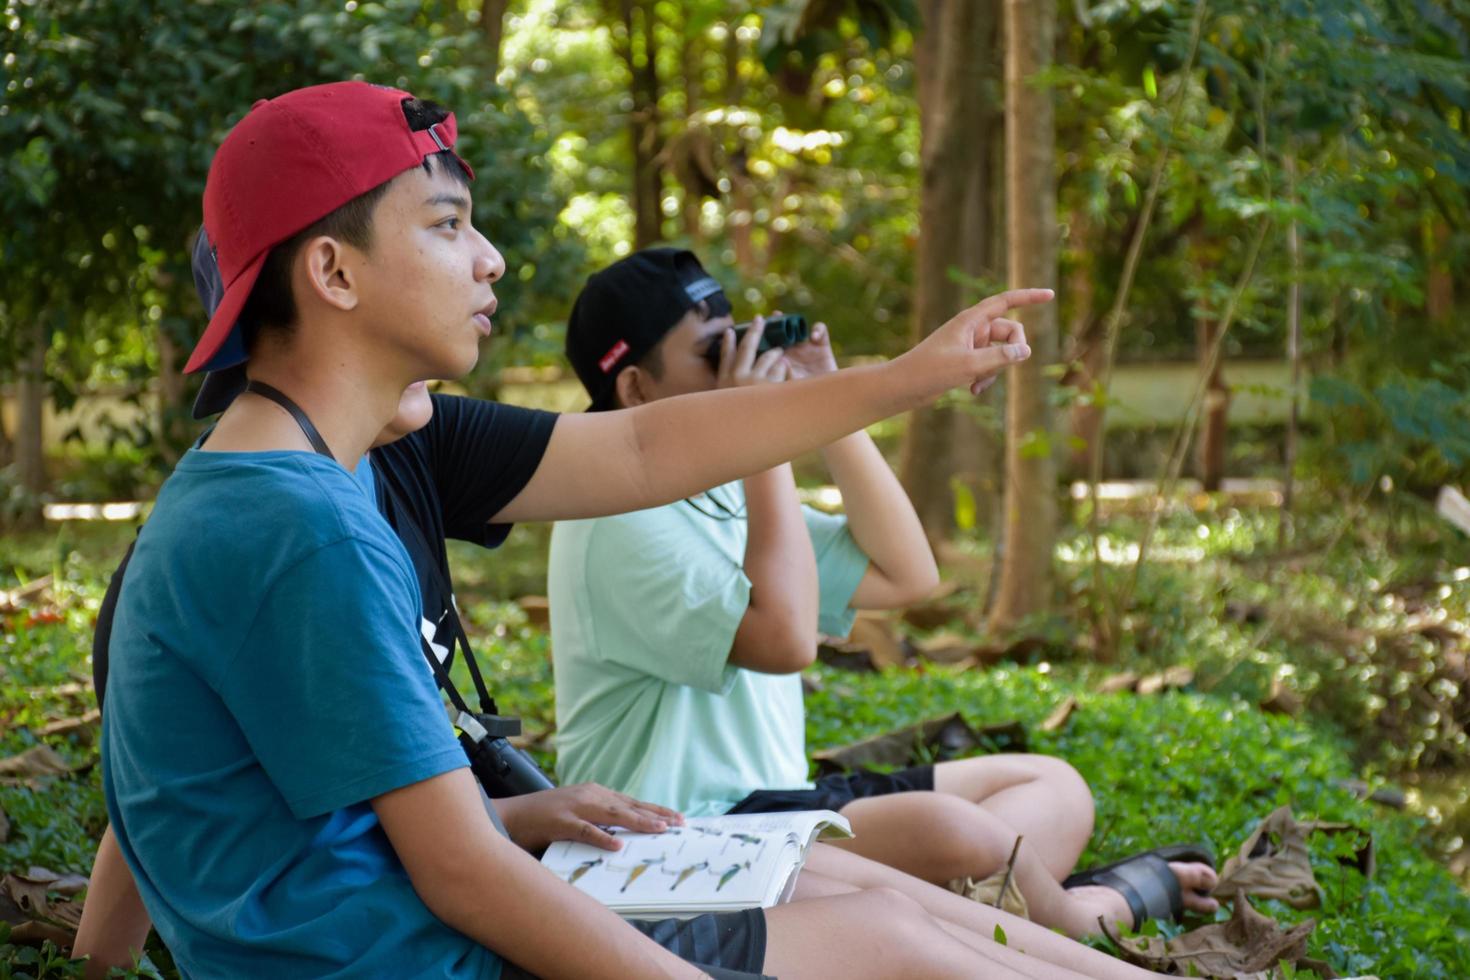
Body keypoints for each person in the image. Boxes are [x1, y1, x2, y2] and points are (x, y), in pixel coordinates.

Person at [92, 78, 1138, 979]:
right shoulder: (303, 525)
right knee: (884, 931)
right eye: (448, 224)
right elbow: (458, 874)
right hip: (418, 952)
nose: (490, 258)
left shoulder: (293, 476)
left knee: (880, 908)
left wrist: (904, 378)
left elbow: (645, 450)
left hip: (403, 925)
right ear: (334, 272)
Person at [547, 249, 1220, 941]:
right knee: (961, 831)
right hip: (695, 832)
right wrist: (763, 430)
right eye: (715, 352)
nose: (742, 360)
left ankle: (966, 910)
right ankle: (1081, 913)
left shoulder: (717, 491)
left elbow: (907, 574)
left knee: (1053, 787)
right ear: (634, 389)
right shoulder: (613, 520)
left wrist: (824, 395)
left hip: (784, 807)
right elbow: (785, 641)